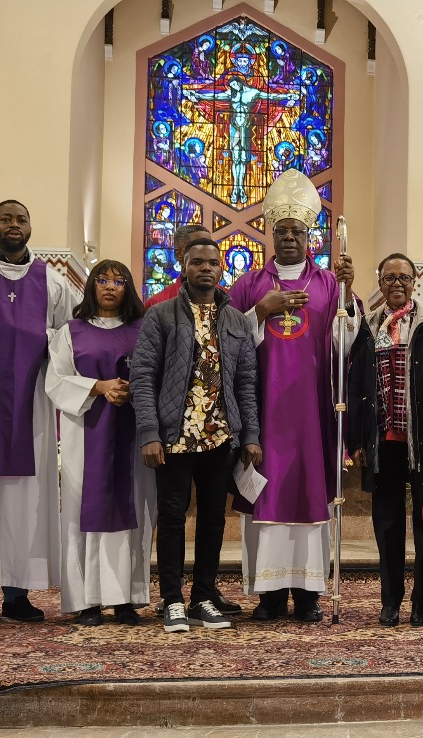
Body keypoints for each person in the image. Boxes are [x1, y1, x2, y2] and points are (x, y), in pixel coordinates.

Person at [228, 169, 358, 623]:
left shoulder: (326, 283)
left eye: (296, 231)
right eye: (280, 231)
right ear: (270, 232)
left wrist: (349, 293)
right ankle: (268, 596)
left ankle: (307, 595)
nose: (288, 238)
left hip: (312, 414)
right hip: (262, 410)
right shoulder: (251, 284)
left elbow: (346, 339)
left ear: (309, 235)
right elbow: (225, 338)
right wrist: (261, 312)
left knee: (309, 494)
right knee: (268, 497)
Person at [0, 200, 78, 626]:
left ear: (30, 226)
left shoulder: (53, 281)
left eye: (21, 219)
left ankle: (18, 593)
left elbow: (70, 335)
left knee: (26, 498)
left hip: (32, 404)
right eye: (6, 218)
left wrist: (38, 339)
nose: (14, 225)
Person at [132, 238, 262, 632]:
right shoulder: (161, 315)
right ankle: (172, 599)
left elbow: (246, 383)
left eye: (213, 263)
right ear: (184, 268)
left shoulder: (237, 320)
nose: (206, 268)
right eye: (197, 262)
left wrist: (251, 434)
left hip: (221, 435)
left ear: (222, 270)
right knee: (171, 516)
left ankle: (203, 596)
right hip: (174, 435)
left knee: (212, 520)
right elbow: (142, 375)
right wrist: (149, 431)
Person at [46, 260, 155, 626]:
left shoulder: (143, 329)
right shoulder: (70, 331)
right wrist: (98, 386)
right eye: (103, 280)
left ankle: (124, 598)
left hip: (133, 432)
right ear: (91, 286)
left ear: (129, 289)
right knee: (82, 509)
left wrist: (130, 390)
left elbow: (157, 373)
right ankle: (87, 600)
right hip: (86, 431)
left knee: (133, 508)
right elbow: (56, 380)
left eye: (119, 281)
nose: (110, 287)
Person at [348, 253, 423, 628]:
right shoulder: (368, 326)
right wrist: (357, 440)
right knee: (386, 524)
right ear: (380, 282)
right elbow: (356, 388)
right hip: (382, 441)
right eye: (390, 278)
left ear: (415, 281)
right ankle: (390, 601)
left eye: (404, 277)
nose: (397, 284)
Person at [143, 223, 218, 310]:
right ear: (179, 254)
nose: (206, 252)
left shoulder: (229, 299)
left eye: (209, 246)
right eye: (197, 247)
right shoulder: (156, 304)